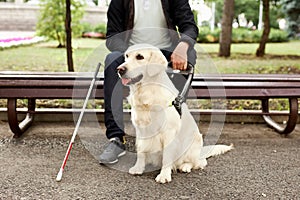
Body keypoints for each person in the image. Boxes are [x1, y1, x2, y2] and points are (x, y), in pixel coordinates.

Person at [99, 0, 199, 164]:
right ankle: (116, 139)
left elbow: (189, 26)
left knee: (190, 54)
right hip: (132, 55)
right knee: (112, 60)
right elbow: (112, 37)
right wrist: (134, 55)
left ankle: (175, 129)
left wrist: (184, 44)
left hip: (165, 53)